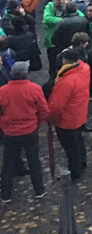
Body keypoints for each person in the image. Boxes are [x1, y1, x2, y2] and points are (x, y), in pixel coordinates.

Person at [0, 61, 48, 202]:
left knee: (8, 162)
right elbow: (44, 111)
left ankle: (5, 194)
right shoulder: (34, 89)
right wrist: (36, 123)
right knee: (34, 160)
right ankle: (39, 189)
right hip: (30, 130)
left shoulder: (2, 91)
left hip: (9, 131)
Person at [47, 48, 90, 181]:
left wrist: (49, 117)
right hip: (79, 113)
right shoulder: (84, 68)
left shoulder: (66, 81)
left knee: (71, 148)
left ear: (65, 61)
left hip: (67, 119)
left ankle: (74, 171)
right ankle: (82, 162)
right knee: (78, 140)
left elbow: (57, 105)